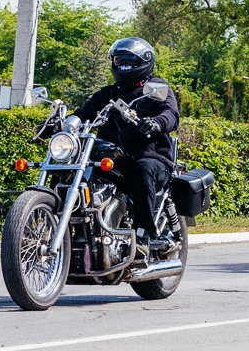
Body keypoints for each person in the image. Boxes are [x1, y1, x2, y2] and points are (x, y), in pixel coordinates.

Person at [68, 37, 180, 256]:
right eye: (119, 61)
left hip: (150, 158)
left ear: (144, 62)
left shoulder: (155, 88)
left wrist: (157, 123)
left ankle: (143, 236)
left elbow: (171, 114)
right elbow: (83, 113)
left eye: (129, 61)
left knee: (142, 169)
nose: (123, 66)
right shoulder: (107, 94)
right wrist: (64, 124)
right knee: (71, 170)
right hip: (114, 159)